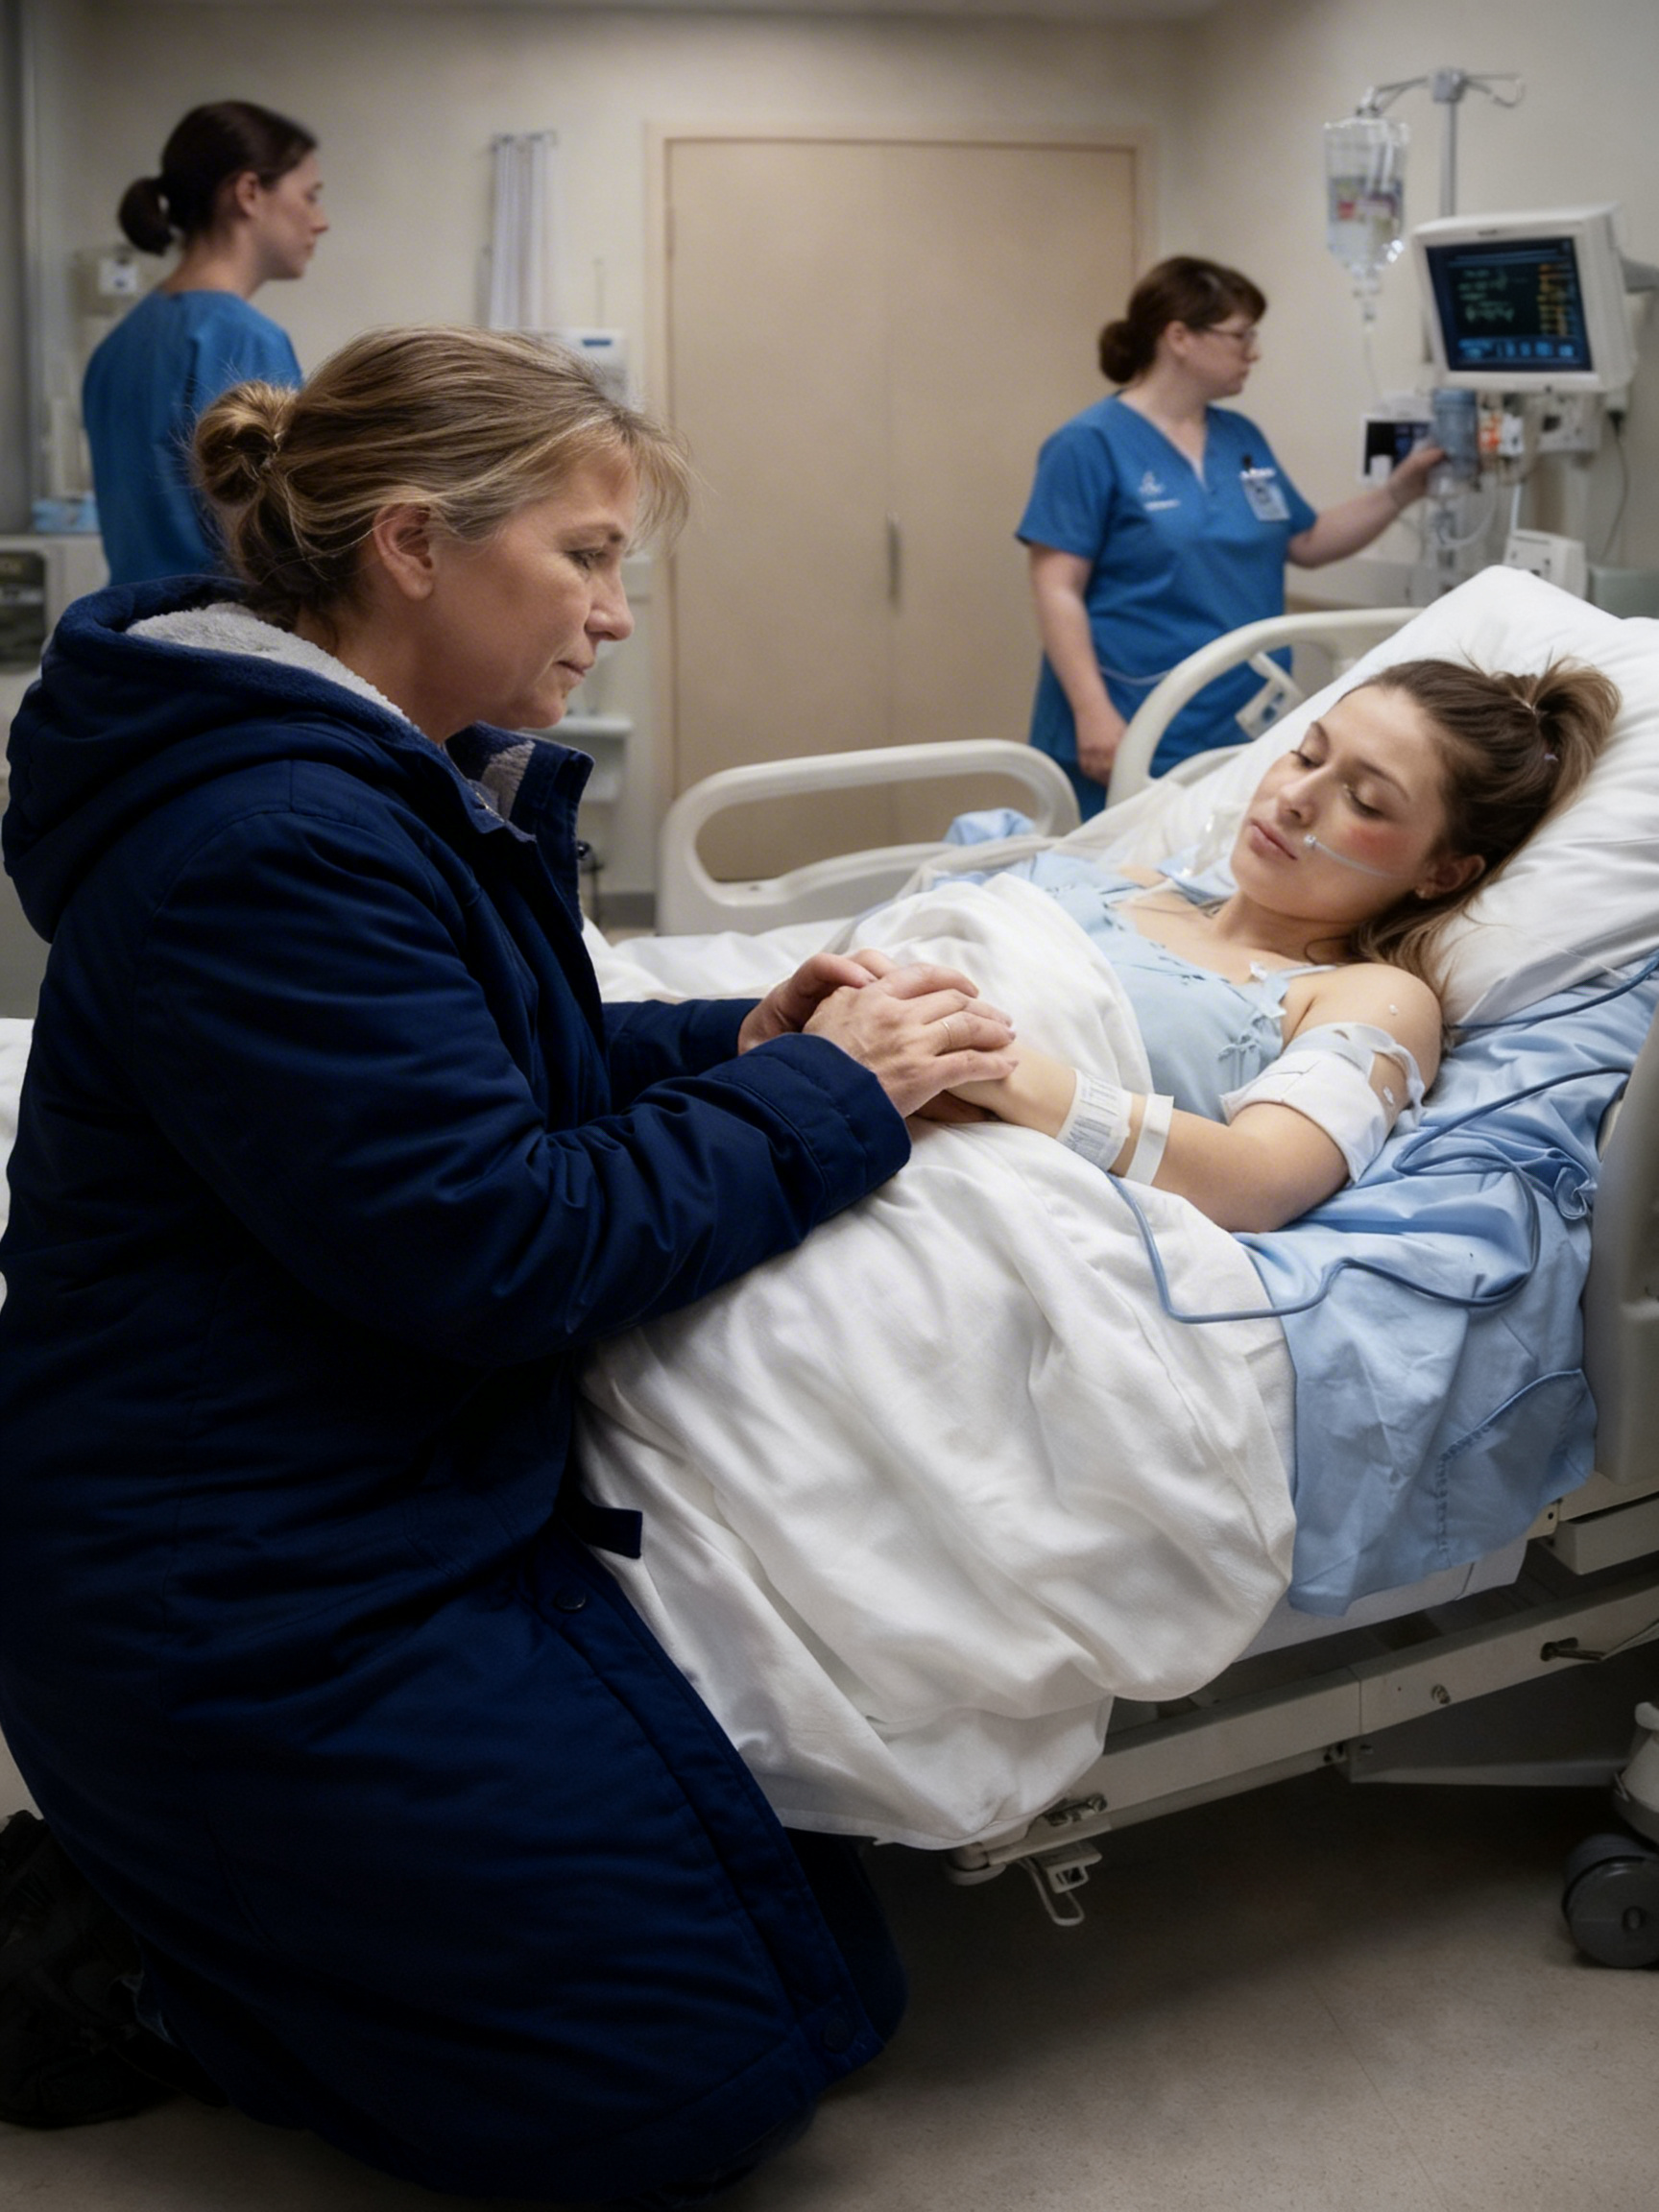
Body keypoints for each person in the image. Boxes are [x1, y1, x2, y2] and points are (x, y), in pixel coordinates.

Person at [0, 328, 1018, 2201]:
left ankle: (233, 1891)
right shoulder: (272, 840)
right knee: (673, 2094)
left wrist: (739, 1039)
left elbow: (479, 1075)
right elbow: (497, 1239)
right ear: (413, 545)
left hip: (375, 1503)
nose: (614, 614)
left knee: (822, 1978)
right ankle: (133, 1962)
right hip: (227, 1584)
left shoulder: (371, 780)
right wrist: (833, 1097)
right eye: (586, 556)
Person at [954, 655, 1618, 1228]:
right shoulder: (1128, 882)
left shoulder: (1367, 998)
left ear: (1442, 874)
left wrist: (990, 1071)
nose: (1295, 795)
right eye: (1307, 753)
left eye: (1364, 800)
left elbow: (1260, 1179)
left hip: (963, 1170)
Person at [1019, 254, 1445, 815]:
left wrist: (1399, 493)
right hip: (1130, 715)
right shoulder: (1088, 444)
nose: (1254, 352)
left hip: (1240, 714)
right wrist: (1091, 711)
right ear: (1179, 337)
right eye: (1241, 335)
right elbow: (1057, 588)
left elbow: (1306, 541)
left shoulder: (1241, 438)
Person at [83, 101, 327, 586]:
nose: (321, 221)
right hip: (223, 623)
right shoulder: (245, 340)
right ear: (249, 192)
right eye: (310, 196)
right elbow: (274, 546)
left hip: (132, 622)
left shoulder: (116, 347)